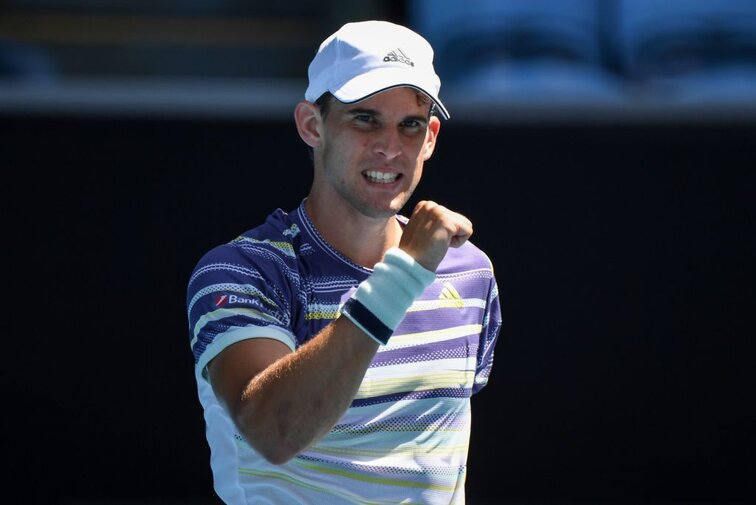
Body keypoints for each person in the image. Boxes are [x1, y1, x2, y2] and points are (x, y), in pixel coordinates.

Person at [186, 19, 502, 505]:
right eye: (365, 119)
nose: (390, 147)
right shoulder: (240, 272)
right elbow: (274, 433)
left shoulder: (470, 272)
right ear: (312, 125)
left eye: (410, 124)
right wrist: (404, 276)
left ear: (432, 137)